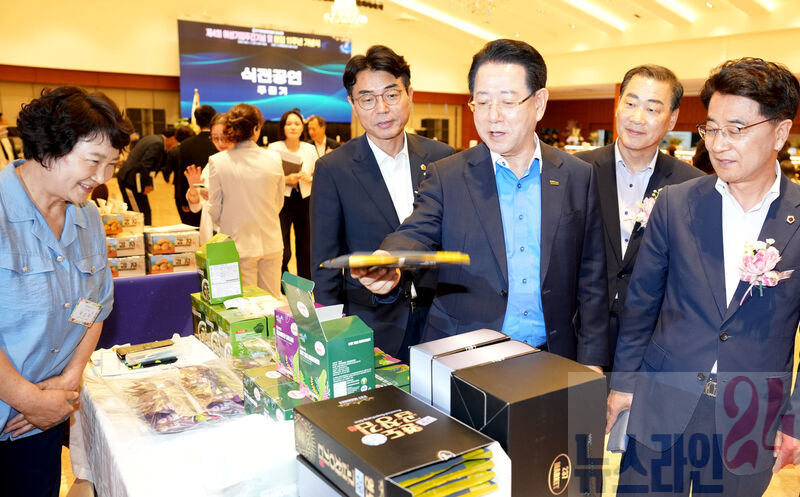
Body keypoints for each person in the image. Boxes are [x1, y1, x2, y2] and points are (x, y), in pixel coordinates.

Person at [353, 39, 609, 371]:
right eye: (483, 102)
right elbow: (416, 230)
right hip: (465, 357)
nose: (493, 116)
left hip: (553, 357)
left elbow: (592, 278)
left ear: (539, 103)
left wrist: (592, 360)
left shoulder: (577, 175)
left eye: (508, 101)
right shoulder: (448, 175)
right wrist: (388, 258)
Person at [607, 57, 800, 496]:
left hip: (751, 418)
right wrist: (623, 384)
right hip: (661, 401)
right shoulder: (676, 204)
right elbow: (641, 305)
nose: (719, 144)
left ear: (780, 133)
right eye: (711, 129)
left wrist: (796, 420)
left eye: (736, 129)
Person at [0, 85, 132, 496]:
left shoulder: (86, 216)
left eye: (112, 164)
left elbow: (95, 306)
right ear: (48, 149)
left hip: (44, 417)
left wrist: (69, 381)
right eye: (94, 161)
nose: (103, 178)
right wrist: (28, 399)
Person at [311, 45, 454, 360]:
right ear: (353, 104)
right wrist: (330, 336)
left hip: (440, 322)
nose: (382, 109)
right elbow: (325, 264)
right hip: (373, 325)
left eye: (391, 95)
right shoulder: (333, 169)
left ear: (409, 94)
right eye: (367, 99)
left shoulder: (442, 157)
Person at [575, 65, 703, 370]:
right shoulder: (576, 171)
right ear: (618, 106)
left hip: (653, 347)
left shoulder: (691, 186)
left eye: (652, 109)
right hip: (578, 338)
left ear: (672, 119)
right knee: (576, 404)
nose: (637, 117)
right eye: (630, 103)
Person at [207, 104, 284, 296]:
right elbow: (278, 201)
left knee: (243, 304)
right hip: (271, 240)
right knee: (272, 299)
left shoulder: (218, 161)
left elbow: (214, 209)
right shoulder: (274, 158)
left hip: (236, 243)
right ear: (256, 128)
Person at [267, 109, 316, 279]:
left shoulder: (310, 149)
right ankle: (282, 282)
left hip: (305, 199)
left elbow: (318, 173)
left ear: (302, 128)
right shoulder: (274, 148)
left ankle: (306, 282)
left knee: (305, 244)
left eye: (297, 124)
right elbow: (268, 176)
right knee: (283, 245)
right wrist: (286, 179)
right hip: (283, 200)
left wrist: (309, 178)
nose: (293, 127)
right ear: (283, 127)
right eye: (289, 124)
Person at [116, 128, 179, 225]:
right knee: (139, 214)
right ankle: (141, 233)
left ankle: (143, 232)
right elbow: (145, 165)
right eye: (177, 141)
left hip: (132, 179)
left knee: (142, 212)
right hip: (130, 180)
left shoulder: (152, 139)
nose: (176, 145)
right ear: (172, 138)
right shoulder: (158, 144)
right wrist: (147, 184)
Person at [185, 112, 230, 244]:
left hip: (233, 231)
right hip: (212, 231)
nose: (220, 143)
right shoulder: (212, 163)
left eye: (224, 137)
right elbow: (196, 206)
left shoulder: (243, 163)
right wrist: (194, 191)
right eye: (215, 138)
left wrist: (216, 197)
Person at [174, 105, 217, 226]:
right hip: (214, 199)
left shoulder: (186, 145)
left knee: (195, 229)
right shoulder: (221, 144)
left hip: (193, 195)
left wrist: (183, 200)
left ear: (196, 122)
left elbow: (181, 174)